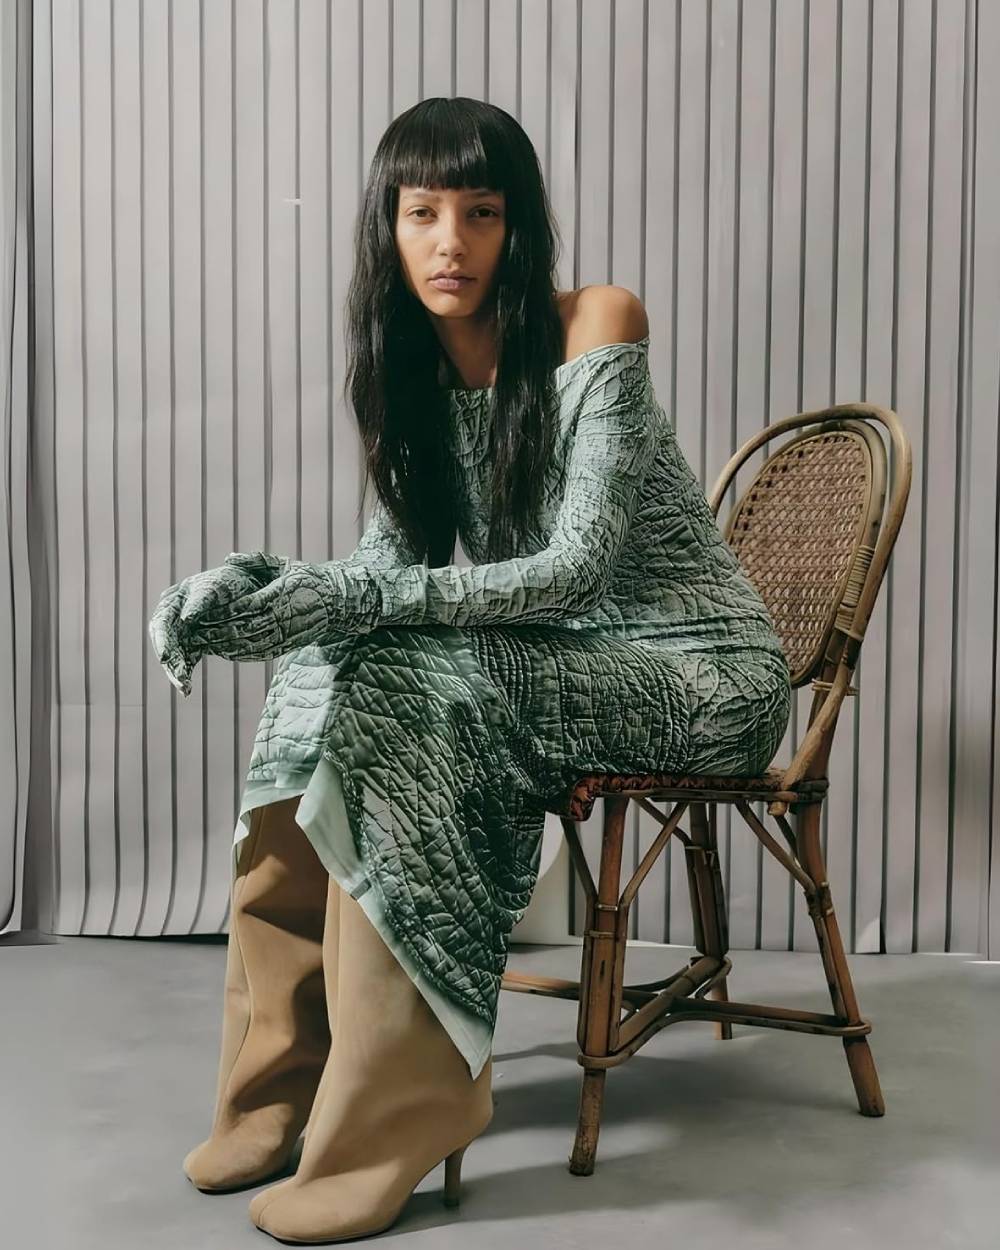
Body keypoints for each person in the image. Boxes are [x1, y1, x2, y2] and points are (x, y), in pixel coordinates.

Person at [148, 96, 791, 1243]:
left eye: (480, 212)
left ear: (517, 225)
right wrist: (257, 588)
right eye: (423, 212)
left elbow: (574, 572)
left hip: (698, 676)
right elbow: (381, 572)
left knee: (403, 679)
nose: (450, 241)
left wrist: (346, 598)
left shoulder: (597, 323)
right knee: (318, 670)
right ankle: (280, 1080)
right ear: (387, 227)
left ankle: (397, 1112)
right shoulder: (409, 371)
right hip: (553, 666)